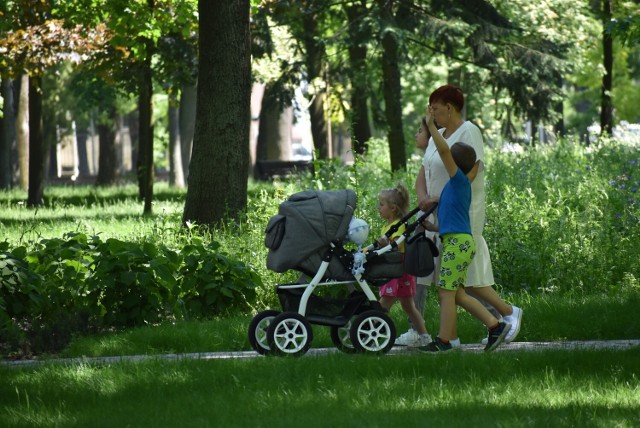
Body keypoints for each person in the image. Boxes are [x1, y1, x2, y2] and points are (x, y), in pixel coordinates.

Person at [395, 84, 522, 347]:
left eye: (436, 109)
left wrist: (448, 195)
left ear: (449, 108)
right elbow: (425, 169)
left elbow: (471, 170)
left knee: (463, 280)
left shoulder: (468, 131)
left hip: (461, 214)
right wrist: (424, 198)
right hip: (440, 215)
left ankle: (505, 314)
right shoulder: (437, 135)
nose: (432, 114)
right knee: (451, 284)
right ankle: (451, 337)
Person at [418, 108, 510, 352]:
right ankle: (494, 325)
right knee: (455, 293)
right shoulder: (453, 187)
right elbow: (453, 221)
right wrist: (433, 226)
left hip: (458, 245)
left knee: (446, 293)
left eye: (448, 157)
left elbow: (444, 150)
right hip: (455, 240)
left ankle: (445, 341)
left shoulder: (458, 180)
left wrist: (430, 125)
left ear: (454, 164)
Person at [376, 183, 433, 347]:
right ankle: (424, 336)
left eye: (381, 205)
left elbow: (397, 244)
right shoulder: (387, 226)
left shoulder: (399, 225)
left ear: (393, 208)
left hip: (397, 270)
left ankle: (370, 330)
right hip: (397, 269)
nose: (378, 208)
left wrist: (384, 243)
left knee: (383, 304)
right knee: (408, 305)